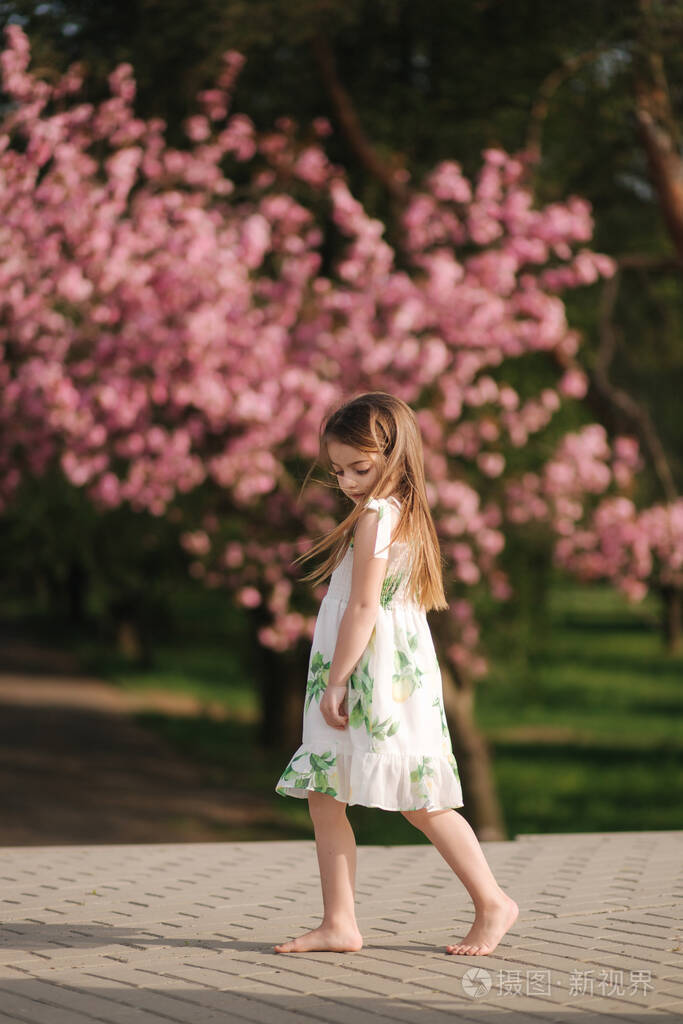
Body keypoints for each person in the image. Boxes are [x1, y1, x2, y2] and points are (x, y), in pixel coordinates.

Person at [274, 391, 518, 955]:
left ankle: (492, 902)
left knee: (419, 799)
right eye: (338, 472)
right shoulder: (402, 512)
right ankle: (340, 921)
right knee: (327, 790)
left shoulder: (379, 517)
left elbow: (363, 607)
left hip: (368, 671)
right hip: (388, 664)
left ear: (394, 453)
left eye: (360, 467)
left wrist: (337, 680)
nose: (349, 482)